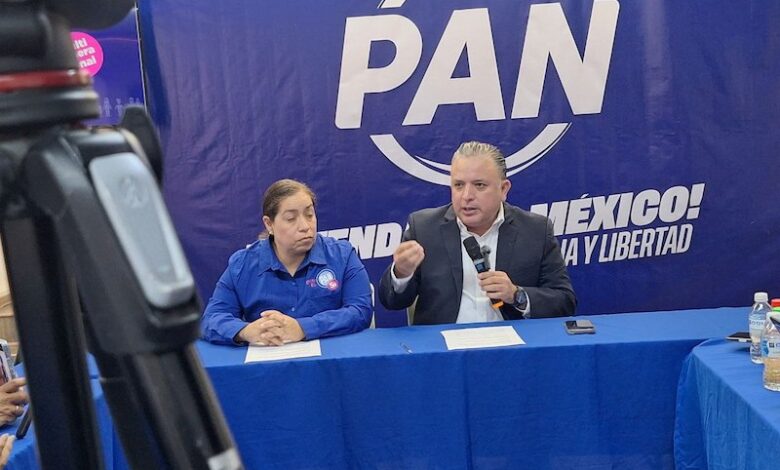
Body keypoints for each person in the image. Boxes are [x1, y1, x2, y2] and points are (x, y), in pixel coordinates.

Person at [379, 141, 576, 324]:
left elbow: (564, 302)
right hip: (445, 352)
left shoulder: (536, 230)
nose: (466, 196)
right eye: (459, 185)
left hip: (512, 350)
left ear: (503, 188)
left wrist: (516, 295)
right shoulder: (423, 228)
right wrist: (401, 273)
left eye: (479, 185)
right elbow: (391, 301)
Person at [201, 179, 372, 345]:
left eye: (309, 215)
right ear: (269, 224)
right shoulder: (241, 265)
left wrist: (302, 328)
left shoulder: (342, 256)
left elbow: (360, 311)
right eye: (291, 218)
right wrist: (245, 331)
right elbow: (211, 319)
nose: (305, 226)